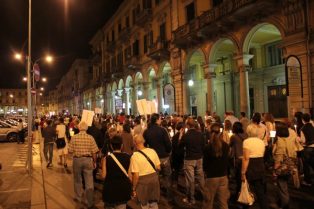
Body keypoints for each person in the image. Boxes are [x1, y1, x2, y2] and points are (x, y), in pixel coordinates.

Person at [68, 122, 99, 209]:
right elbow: (94, 152)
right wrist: (94, 161)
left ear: (78, 128)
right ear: (86, 129)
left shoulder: (74, 137)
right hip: (88, 159)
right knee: (89, 181)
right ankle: (89, 202)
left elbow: (70, 151)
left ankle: (78, 197)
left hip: (77, 160)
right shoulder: (90, 138)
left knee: (77, 180)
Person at [143, 113, 172, 198]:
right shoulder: (163, 130)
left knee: (155, 177)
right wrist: (168, 152)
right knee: (167, 176)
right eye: (160, 119)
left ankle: (156, 195)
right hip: (164, 157)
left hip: (153, 158)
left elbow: (144, 145)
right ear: (157, 120)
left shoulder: (147, 131)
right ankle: (168, 195)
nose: (161, 120)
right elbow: (168, 144)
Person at [241, 123, 269, 209]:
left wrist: (243, 172)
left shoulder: (246, 142)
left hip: (251, 166)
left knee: (247, 189)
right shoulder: (261, 142)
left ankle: (246, 205)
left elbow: (246, 158)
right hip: (260, 165)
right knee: (260, 191)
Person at [129, 134, 161, 209]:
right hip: (154, 180)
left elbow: (136, 175)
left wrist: (133, 188)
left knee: (144, 205)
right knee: (154, 203)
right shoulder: (152, 151)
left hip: (142, 183)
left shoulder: (135, 156)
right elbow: (158, 167)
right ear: (143, 141)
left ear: (135, 143)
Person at [203, 123, 230, 209]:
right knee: (223, 203)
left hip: (211, 177)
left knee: (208, 202)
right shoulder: (226, 146)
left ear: (210, 133)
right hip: (223, 175)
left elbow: (205, 164)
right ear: (220, 132)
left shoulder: (208, 147)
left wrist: (205, 172)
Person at [179, 117, 206, 205]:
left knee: (190, 180)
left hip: (189, 159)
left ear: (187, 125)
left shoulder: (186, 135)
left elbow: (180, 146)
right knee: (200, 178)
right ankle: (204, 196)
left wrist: (180, 135)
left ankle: (191, 198)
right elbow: (203, 146)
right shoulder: (200, 134)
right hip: (199, 158)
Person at [101, 135, 131, 209]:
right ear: (121, 146)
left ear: (111, 146)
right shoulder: (128, 157)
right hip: (123, 189)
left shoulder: (106, 159)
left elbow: (103, 176)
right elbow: (130, 176)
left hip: (110, 189)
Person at [273, 122, 298, 209]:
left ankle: (285, 204)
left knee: (282, 186)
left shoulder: (280, 141)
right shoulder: (289, 140)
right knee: (284, 186)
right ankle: (281, 201)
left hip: (282, 167)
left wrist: (275, 170)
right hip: (290, 166)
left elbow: (279, 156)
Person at [229, 122, 248, 196]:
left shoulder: (233, 137)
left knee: (238, 177)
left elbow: (230, 145)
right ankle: (244, 191)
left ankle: (239, 193)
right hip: (245, 157)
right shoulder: (246, 135)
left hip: (238, 158)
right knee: (244, 176)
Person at [300, 113, 314, 186]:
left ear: (303, 120)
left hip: (308, 148)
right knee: (312, 162)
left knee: (306, 164)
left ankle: (307, 181)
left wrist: (299, 140)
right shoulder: (313, 126)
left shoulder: (303, 129)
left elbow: (303, 140)